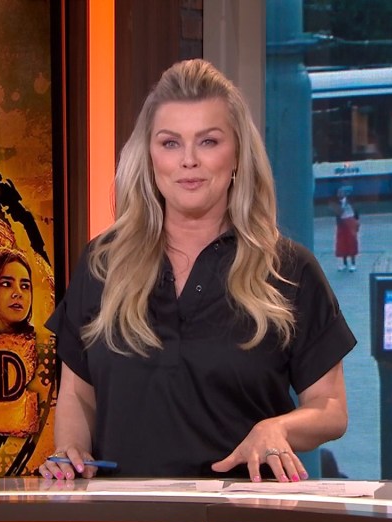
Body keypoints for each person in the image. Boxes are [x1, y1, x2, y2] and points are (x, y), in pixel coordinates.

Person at [39, 59, 355, 482]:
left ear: (237, 154)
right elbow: (79, 393)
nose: (188, 160)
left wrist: (278, 428)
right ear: (149, 156)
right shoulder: (102, 263)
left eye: (208, 141)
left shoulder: (288, 270)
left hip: (242, 516)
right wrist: (71, 450)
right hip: (124, 517)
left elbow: (331, 408)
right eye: (170, 143)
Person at [334, 186, 360, 272]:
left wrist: (357, 222)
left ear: (344, 194)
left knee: (351, 242)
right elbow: (337, 214)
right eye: (338, 193)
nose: (339, 195)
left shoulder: (350, 201)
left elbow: (356, 211)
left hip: (350, 221)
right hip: (342, 223)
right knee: (342, 243)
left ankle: (353, 264)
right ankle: (344, 263)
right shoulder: (337, 203)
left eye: (341, 193)